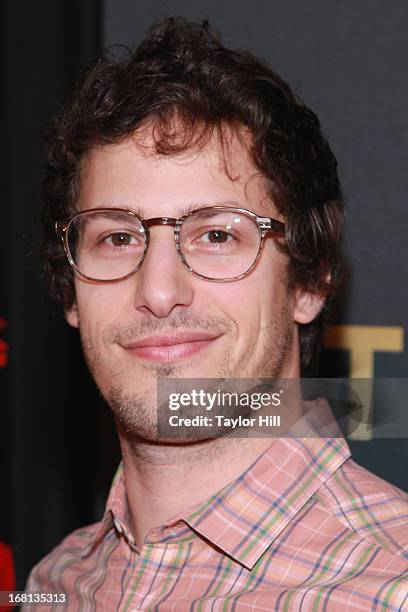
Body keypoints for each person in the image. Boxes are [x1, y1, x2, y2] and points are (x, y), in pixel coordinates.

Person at [25, 18, 407, 610]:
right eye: (118, 238)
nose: (158, 291)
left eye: (218, 236)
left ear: (308, 280)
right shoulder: (54, 583)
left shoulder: (388, 588)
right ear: (72, 293)